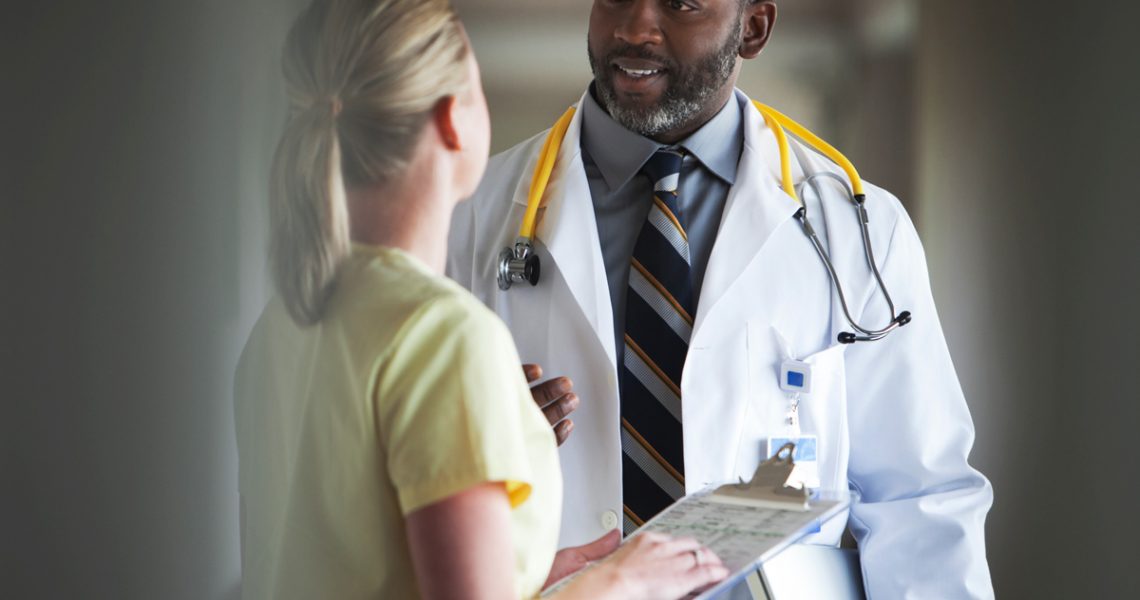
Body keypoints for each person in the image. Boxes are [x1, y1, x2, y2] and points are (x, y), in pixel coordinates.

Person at [447, 0, 994, 597]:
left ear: (753, 28)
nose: (634, 28)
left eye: (681, 4)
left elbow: (918, 503)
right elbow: (403, 471)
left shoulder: (860, 230)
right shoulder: (472, 217)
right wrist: (477, 441)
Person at [233, 0, 730, 598]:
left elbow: (355, 558)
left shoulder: (281, 326)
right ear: (451, 120)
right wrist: (624, 584)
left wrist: (527, 572)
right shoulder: (444, 337)